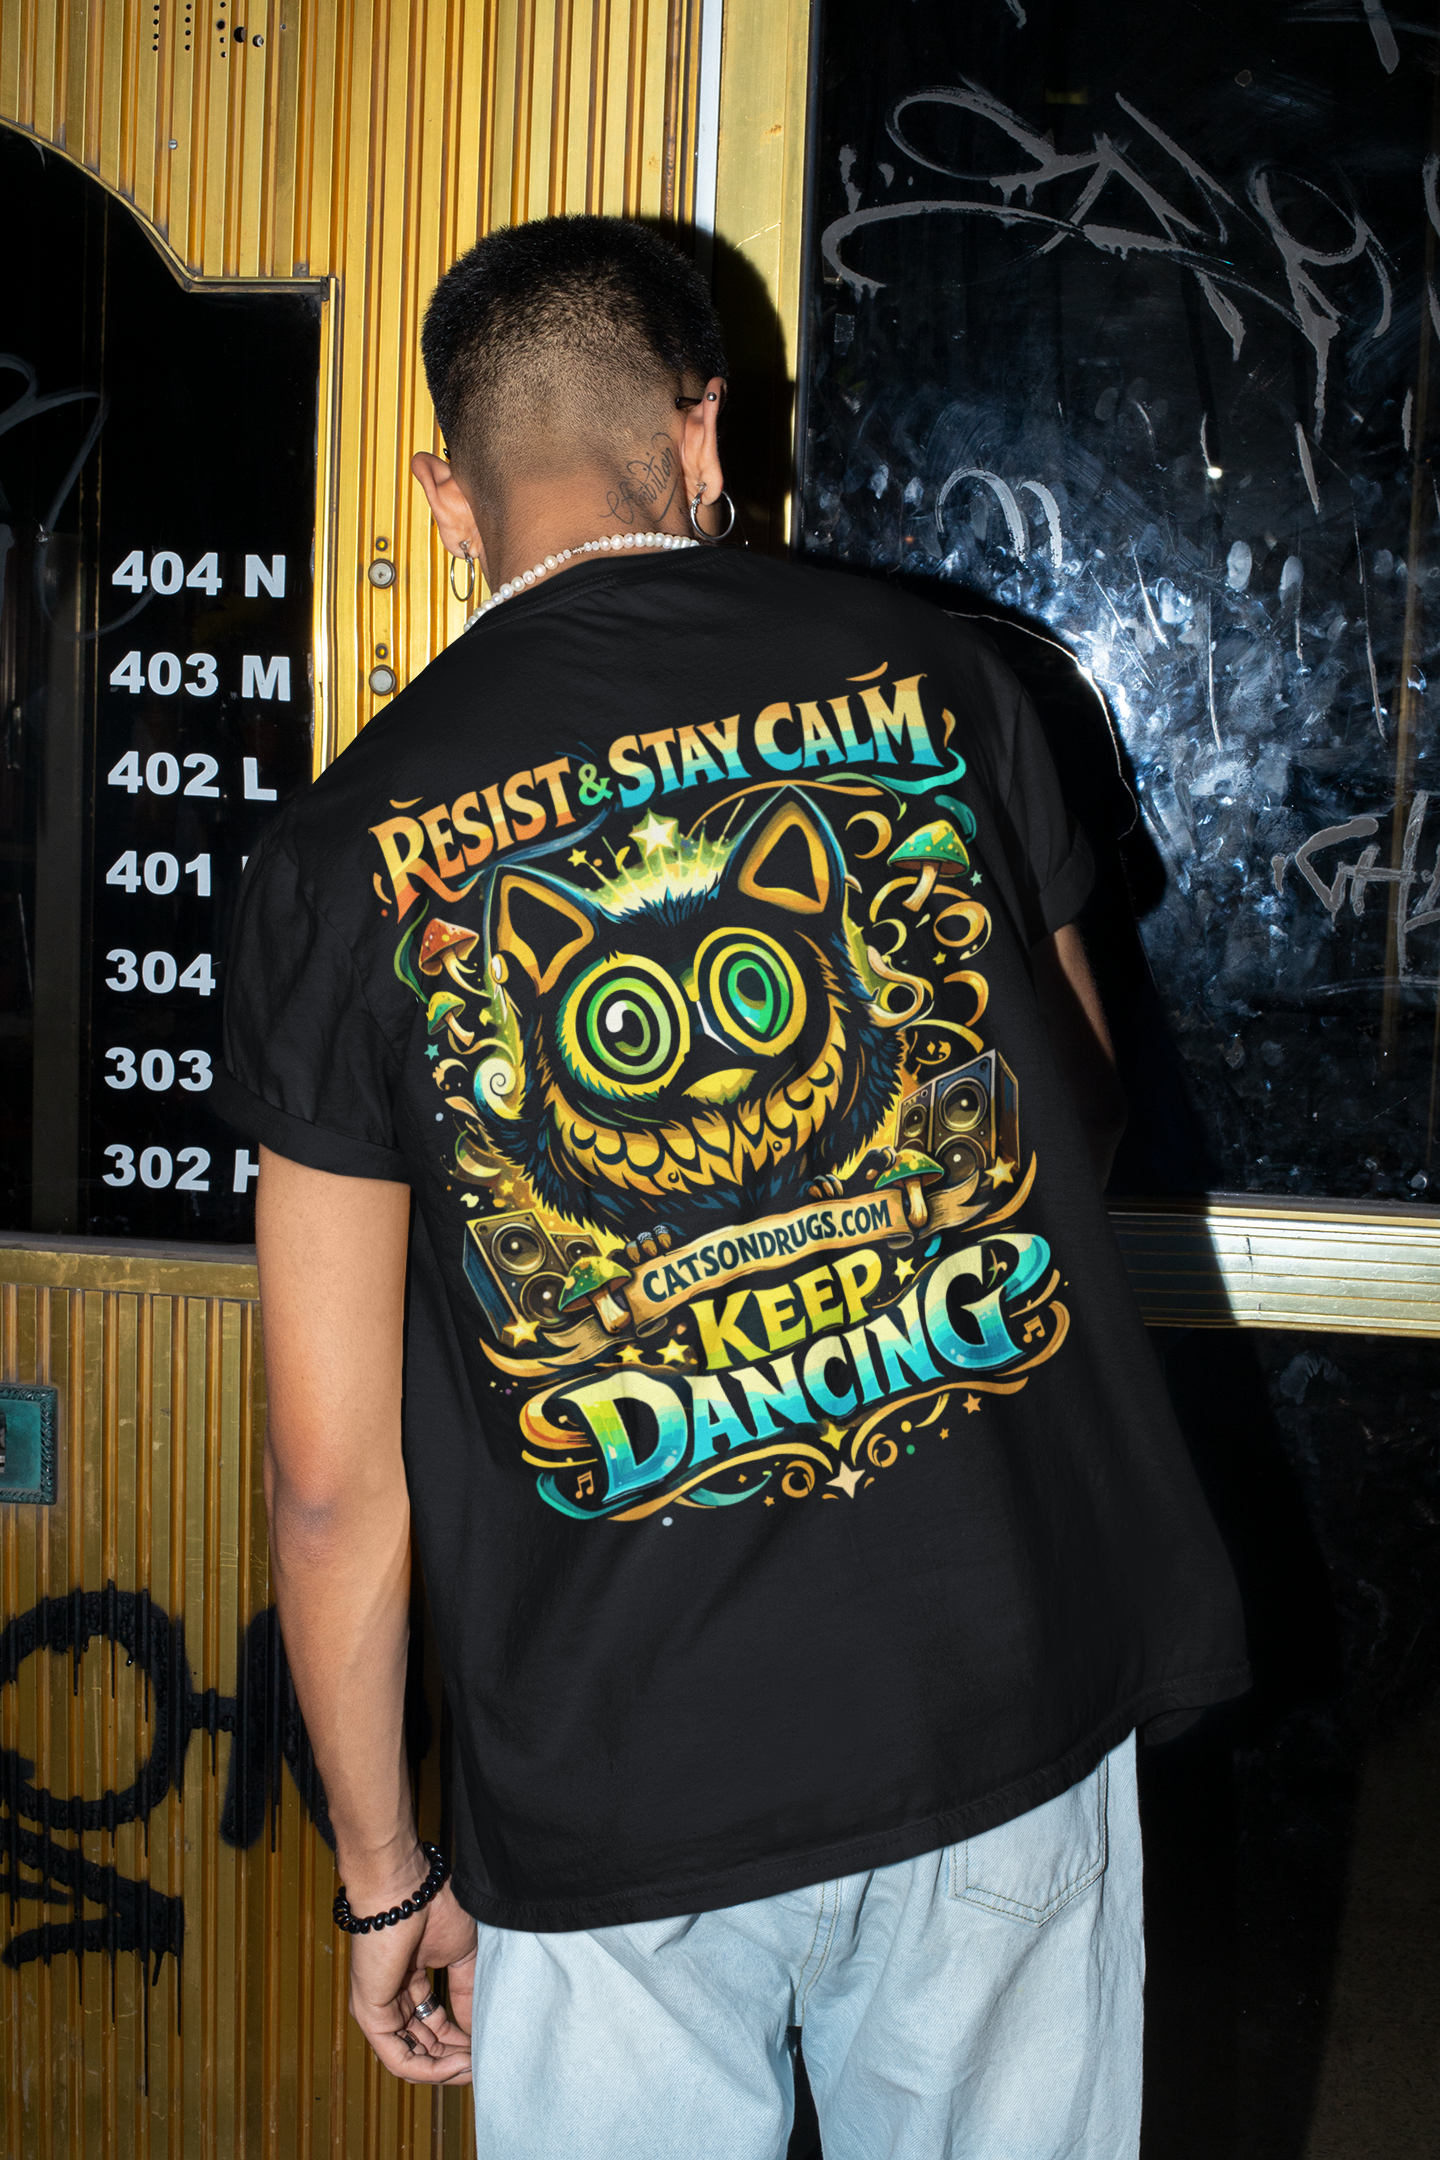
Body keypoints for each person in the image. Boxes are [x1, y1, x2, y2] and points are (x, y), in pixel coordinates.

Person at [215, 214, 1248, 2159]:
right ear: (701, 436)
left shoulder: (337, 858)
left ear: (446, 495)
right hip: (997, 1679)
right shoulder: (943, 684)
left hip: (616, 1771)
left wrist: (379, 1870)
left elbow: (333, 1480)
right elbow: (1078, 1119)